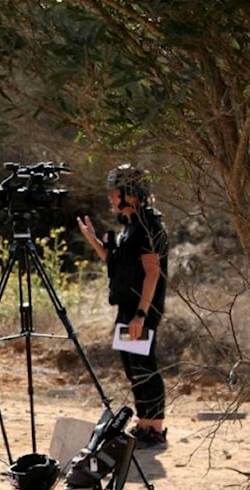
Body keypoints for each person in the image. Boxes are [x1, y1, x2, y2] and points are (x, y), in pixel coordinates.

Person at [77, 163, 169, 449]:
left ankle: (153, 429)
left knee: (143, 366)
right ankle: (144, 424)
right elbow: (113, 262)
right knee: (133, 367)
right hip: (127, 309)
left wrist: (141, 313)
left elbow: (153, 273)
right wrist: (92, 239)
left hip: (140, 310)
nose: (111, 198)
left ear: (130, 193)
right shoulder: (129, 227)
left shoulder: (147, 226)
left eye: (115, 193)